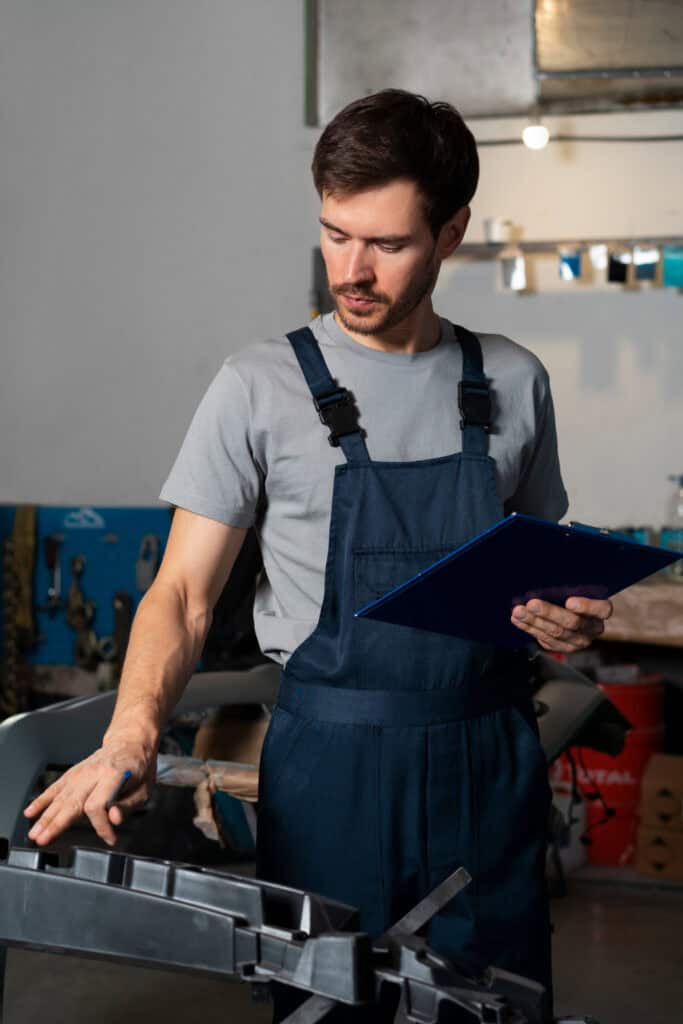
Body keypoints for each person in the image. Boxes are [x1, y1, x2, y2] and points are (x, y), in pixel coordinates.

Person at [24, 90, 612, 1021]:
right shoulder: (256, 386)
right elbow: (180, 593)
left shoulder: (510, 379)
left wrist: (567, 613)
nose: (354, 270)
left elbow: (544, 571)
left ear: (451, 231)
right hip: (330, 765)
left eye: (387, 243)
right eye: (336, 234)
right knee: (324, 1005)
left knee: (497, 1002)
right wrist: (130, 735)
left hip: (484, 758)